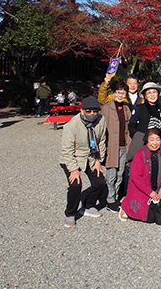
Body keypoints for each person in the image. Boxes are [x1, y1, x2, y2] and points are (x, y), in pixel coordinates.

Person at [59, 96, 107, 228]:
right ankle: (70, 213)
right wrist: (73, 169)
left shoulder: (101, 121)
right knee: (75, 185)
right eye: (88, 111)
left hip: (91, 157)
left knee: (100, 182)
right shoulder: (72, 125)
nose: (92, 114)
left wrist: (98, 160)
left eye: (95, 111)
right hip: (73, 157)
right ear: (82, 111)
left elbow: (101, 141)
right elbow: (67, 150)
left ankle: (88, 205)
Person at [120, 128, 161, 223]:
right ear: (147, 140)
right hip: (142, 191)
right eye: (152, 139)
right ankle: (125, 207)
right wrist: (150, 193)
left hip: (157, 189)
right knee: (150, 217)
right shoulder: (140, 154)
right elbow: (136, 177)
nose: (155, 143)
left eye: (157, 139)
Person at [101, 82, 132, 213]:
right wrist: (103, 146)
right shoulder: (107, 108)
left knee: (120, 173)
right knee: (111, 173)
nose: (120, 95)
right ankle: (110, 199)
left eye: (123, 93)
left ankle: (116, 196)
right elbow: (101, 129)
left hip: (124, 145)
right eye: (118, 92)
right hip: (111, 146)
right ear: (113, 93)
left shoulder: (126, 108)